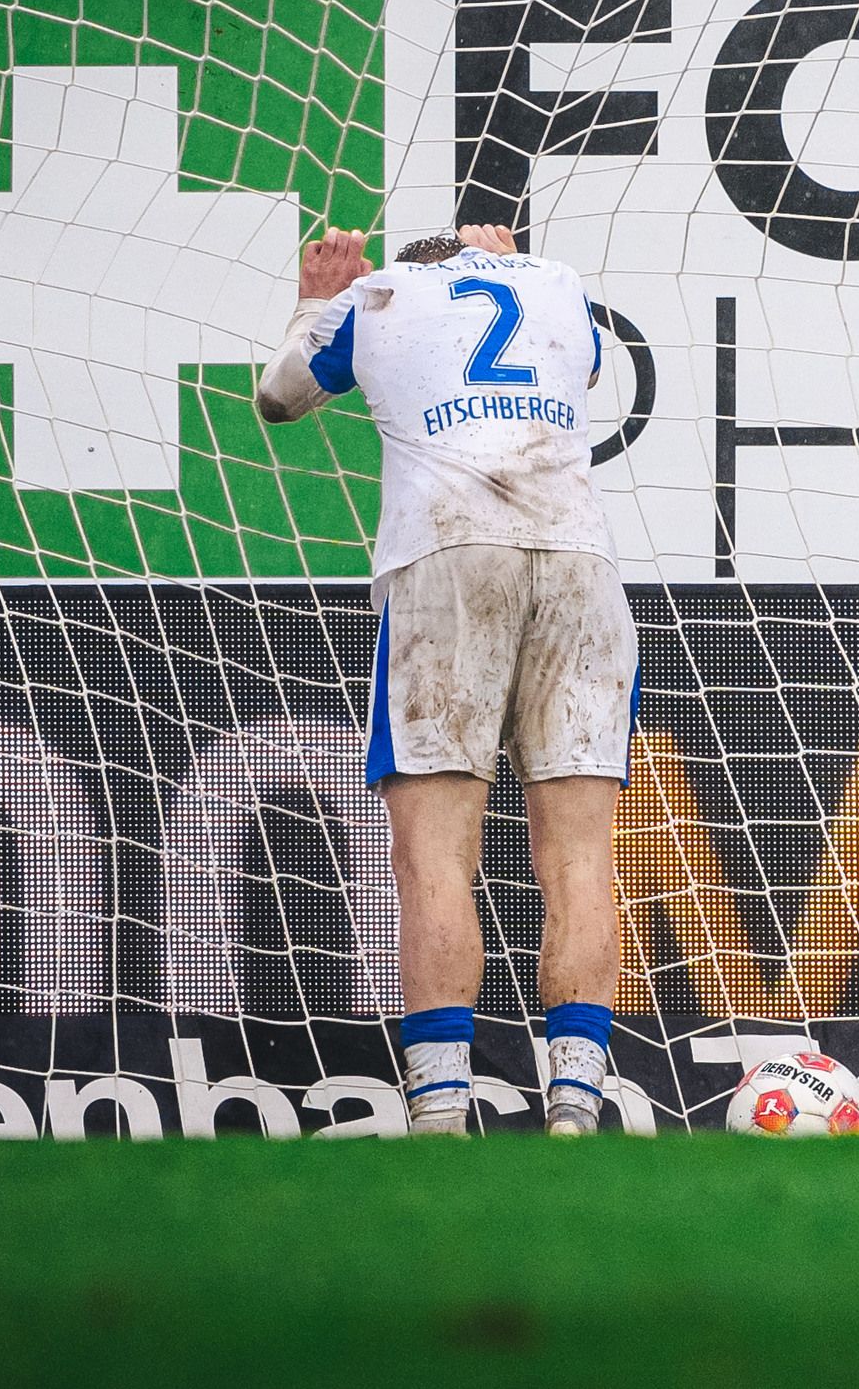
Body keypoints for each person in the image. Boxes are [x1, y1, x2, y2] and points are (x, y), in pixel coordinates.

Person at [256, 224, 635, 1138]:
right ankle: (577, 1106)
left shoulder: (377, 296)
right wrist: (500, 261)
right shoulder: (556, 281)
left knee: (434, 857)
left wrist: (318, 297)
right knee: (580, 858)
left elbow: (277, 398)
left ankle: (439, 1109)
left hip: (447, 560)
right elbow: (578, 370)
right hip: (578, 563)